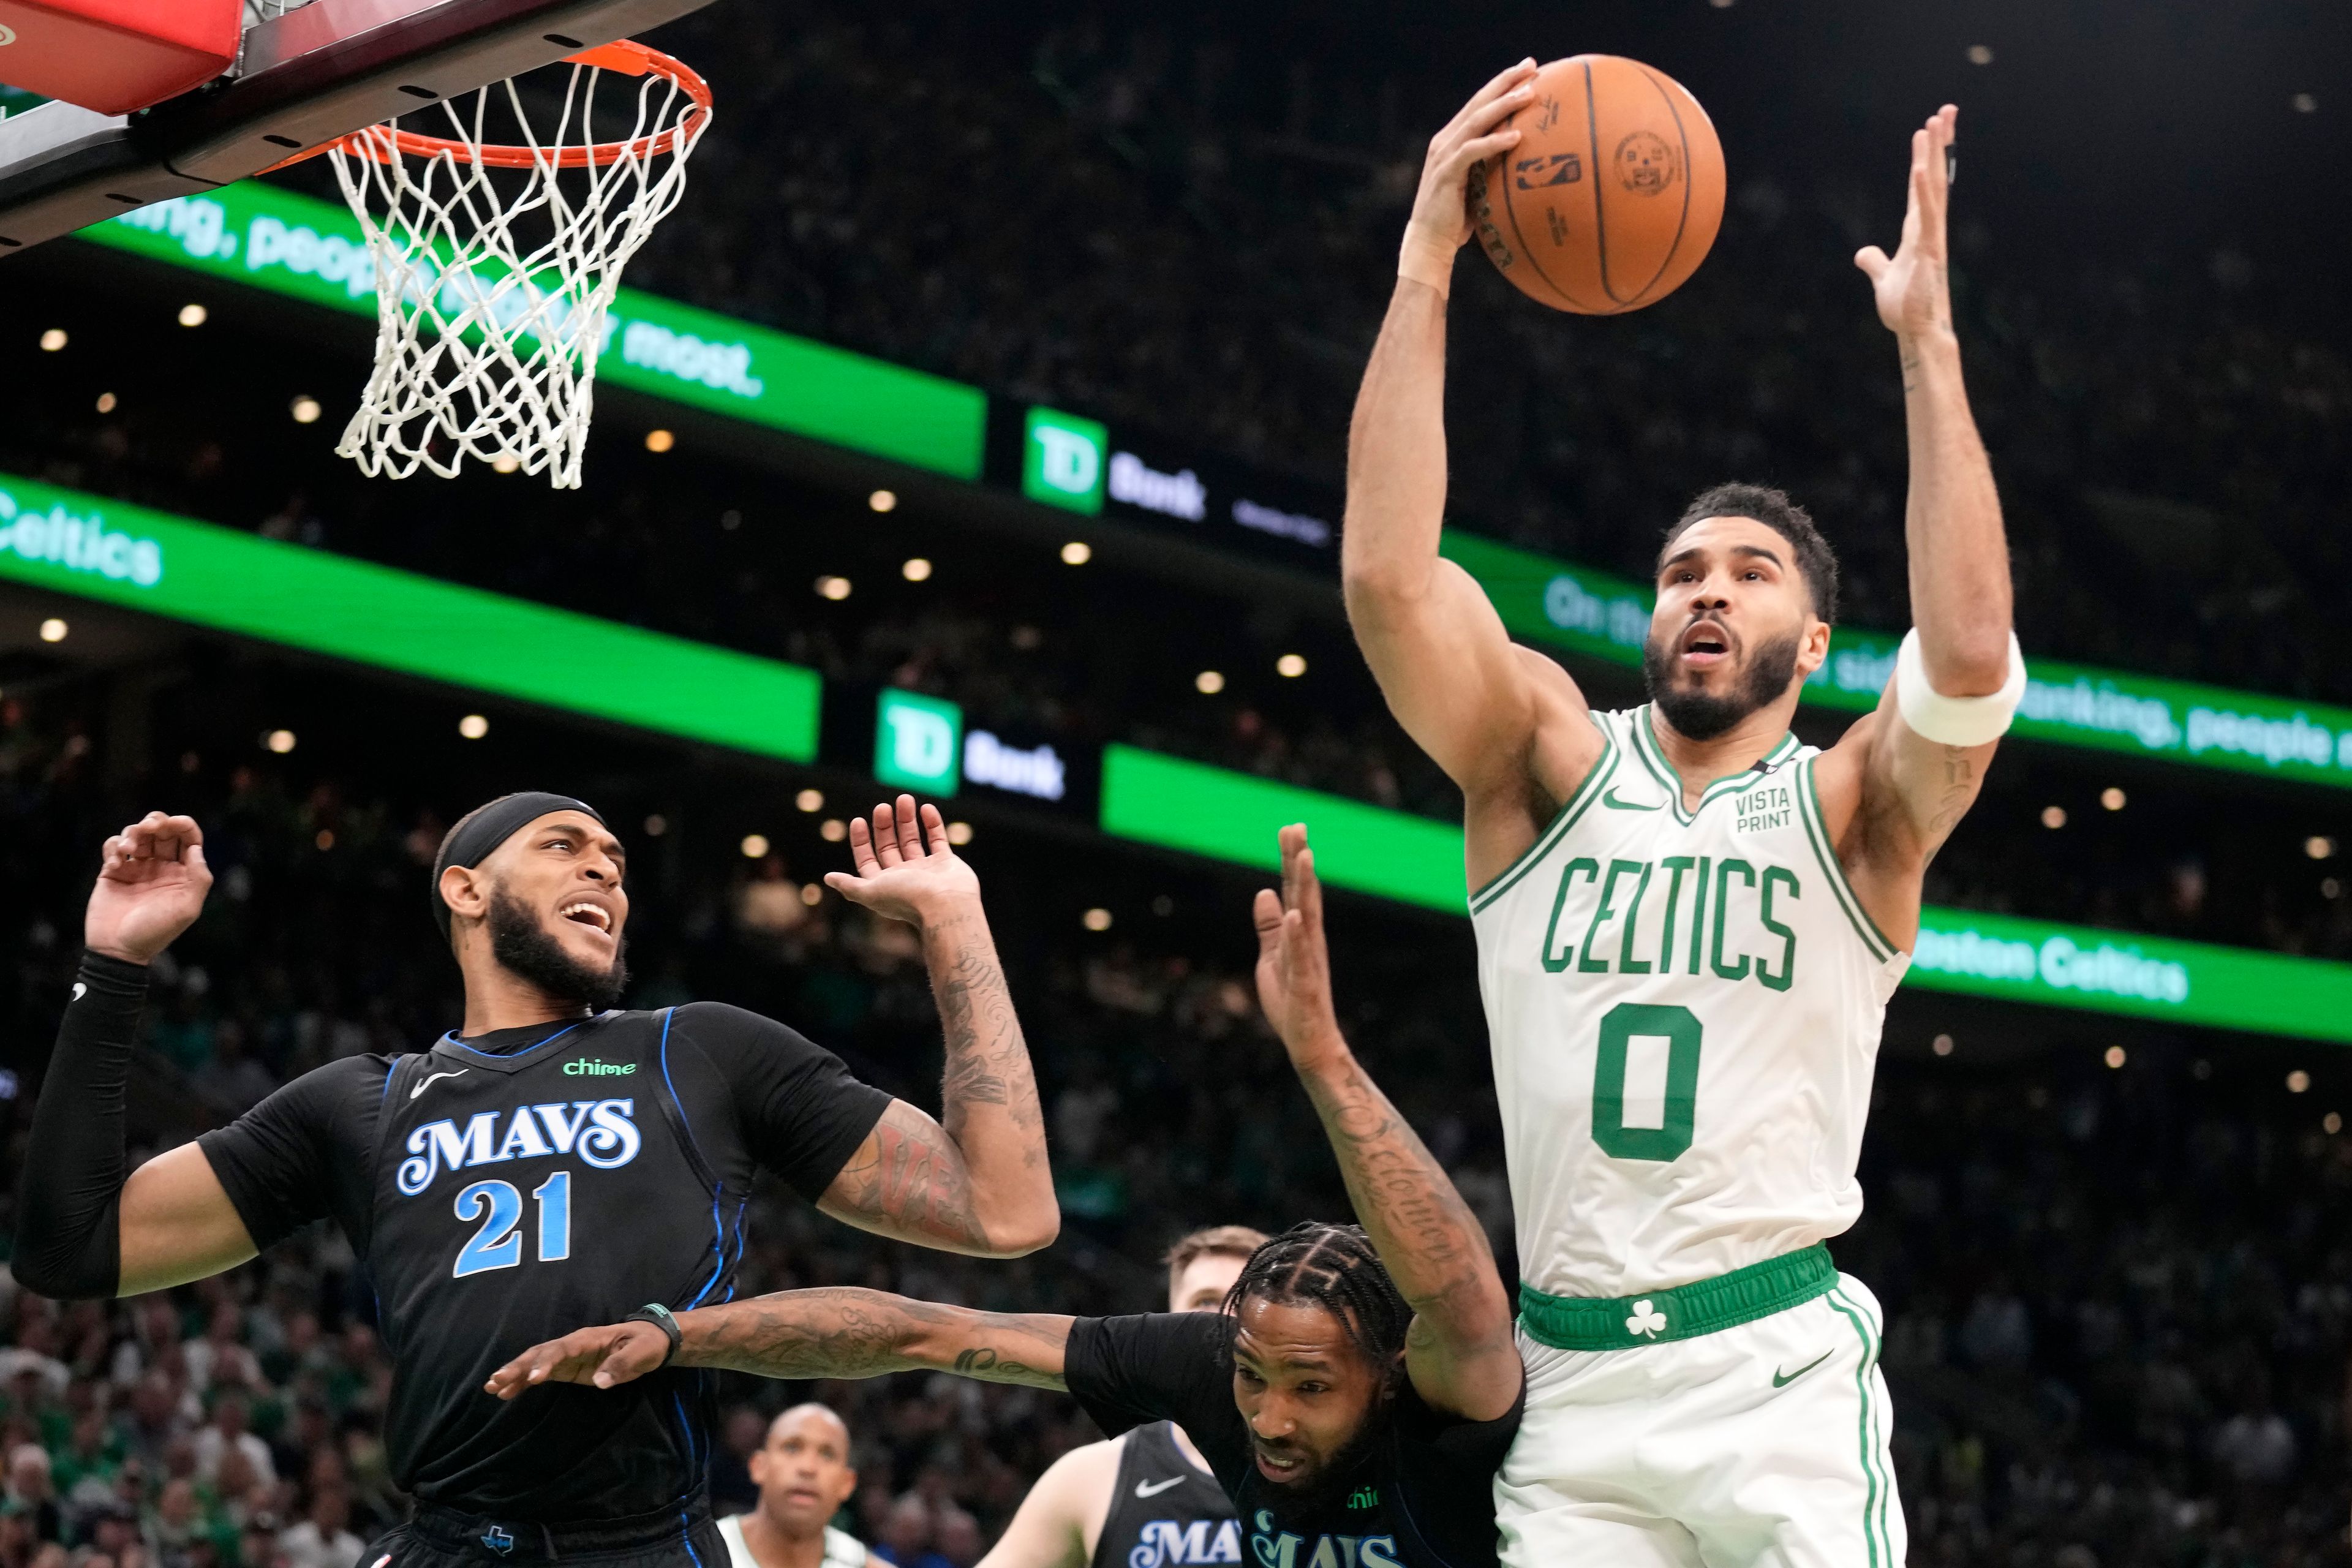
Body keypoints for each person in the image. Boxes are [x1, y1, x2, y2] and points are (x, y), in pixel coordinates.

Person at [1348, 64, 2018, 1567]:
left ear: (1813, 642)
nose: (1705, 586)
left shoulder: (1851, 808)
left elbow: (1968, 661)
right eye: (1679, 570)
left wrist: (1925, 347)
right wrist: (1427, 260)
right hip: (1571, 1380)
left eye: (1748, 570)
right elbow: (1390, 586)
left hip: (1768, 1368)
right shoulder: (1535, 763)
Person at [15, 793, 1055, 1568]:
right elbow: (70, 1251)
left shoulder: (700, 1053)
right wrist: (114, 966)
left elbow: (1005, 1209)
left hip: (641, 1544)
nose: (605, 869)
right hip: (441, 1542)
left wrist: (953, 919)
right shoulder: (356, 1105)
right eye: (564, 846)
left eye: (614, 860)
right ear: (464, 890)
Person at [490, 827, 1525, 1568]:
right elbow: (924, 1331)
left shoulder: (1445, 1405)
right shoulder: (1208, 1371)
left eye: (1307, 1388)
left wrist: (1324, 1060)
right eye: (1257, 1377)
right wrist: (679, 1335)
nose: (1270, 1415)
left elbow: (1464, 1298)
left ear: (1389, 1377)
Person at [976, 1226, 1267, 1568]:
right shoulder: (1090, 1479)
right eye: (1205, 1301)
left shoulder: (1340, 1471)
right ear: (1170, 1323)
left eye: (1245, 1301)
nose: (1223, 1320)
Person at [715, 1405, 875, 1568]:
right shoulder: (701, 1553)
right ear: (759, 1466)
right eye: (792, 1447)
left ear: (847, 1483)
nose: (808, 1468)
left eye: (827, 1454)